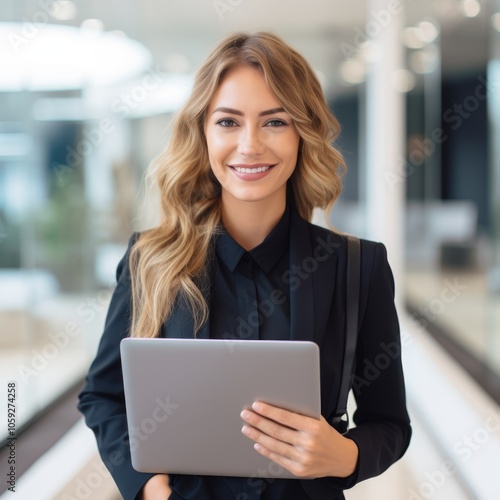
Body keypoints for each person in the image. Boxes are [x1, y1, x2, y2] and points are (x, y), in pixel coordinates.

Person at [78, 31, 411, 500]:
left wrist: (347, 456)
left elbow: (390, 423)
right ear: (203, 133)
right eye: (229, 122)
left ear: (302, 133)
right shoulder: (149, 260)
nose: (250, 145)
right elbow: (103, 396)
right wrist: (146, 486)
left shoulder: (358, 266)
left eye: (274, 122)